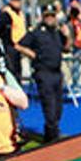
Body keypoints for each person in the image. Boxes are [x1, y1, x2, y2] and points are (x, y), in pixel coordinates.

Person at [17, 7, 67, 142]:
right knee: (49, 106)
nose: (50, 18)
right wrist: (32, 54)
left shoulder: (56, 32)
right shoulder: (36, 32)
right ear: (43, 17)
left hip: (57, 72)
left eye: (52, 16)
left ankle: (52, 132)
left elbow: (67, 47)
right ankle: (52, 138)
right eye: (47, 16)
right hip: (43, 72)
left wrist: (66, 35)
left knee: (58, 108)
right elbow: (19, 45)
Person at [0, 0, 27, 81]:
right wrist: (8, 41)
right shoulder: (7, 13)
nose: (18, 3)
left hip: (21, 45)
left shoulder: (20, 13)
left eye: (19, 1)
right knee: (13, 70)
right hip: (11, 46)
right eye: (16, 1)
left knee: (19, 70)